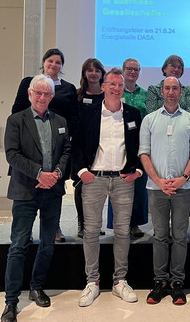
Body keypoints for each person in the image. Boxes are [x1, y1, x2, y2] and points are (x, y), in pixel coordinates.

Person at [1, 74, 71, 322]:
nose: (42, 97)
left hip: (52, 192)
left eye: (47, 94)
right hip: (25, 191)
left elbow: (66, 152)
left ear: (52, 96)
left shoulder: (60, 121)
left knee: (47, 244)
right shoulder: (15, 120)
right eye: (38, 93)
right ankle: (11, 301)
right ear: (30, 93)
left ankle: (36, 287)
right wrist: (40, 174)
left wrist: (57, 175)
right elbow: (12, 154)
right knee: (18, 246)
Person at [72, 68, 143, 306]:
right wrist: (82, 172)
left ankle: (119, 281)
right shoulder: (88, 113)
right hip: (95, 179)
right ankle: (92, 282)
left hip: (123, 181)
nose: (116, 89)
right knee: (91, 231)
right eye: (112, 84)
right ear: (103, 87)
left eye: (120, 85)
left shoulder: (133, 114)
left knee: (122, 232)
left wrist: (138, 172)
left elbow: (142, 147)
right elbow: (77, 144)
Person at [139, 77, 190, 306]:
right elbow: (144, 153)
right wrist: (157, 180)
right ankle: (159, 282)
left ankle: (177, 283)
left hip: (182, 188)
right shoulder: (149, 120)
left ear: (181, 91)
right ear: (162, 91)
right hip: (156, 188)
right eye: (168, 88)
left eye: (175, 88)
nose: (171, 92)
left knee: (179, 237)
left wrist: (183, 178)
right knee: (160, 236)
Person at [11, 48, 79, 242]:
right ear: (44, 62)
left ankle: (54, 228)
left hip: (57, 146)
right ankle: (24, 231)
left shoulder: (68, 88)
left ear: (62, 66)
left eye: (58, 62)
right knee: (27, 191)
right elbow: (16, 110)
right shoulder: (29, 83)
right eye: (50, 61)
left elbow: (74, 116)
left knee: (54, 191)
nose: (54, 65)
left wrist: (64, 135)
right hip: (31, 145)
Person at [107, 58, 149, 238]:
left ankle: (135, 224)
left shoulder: (146, 94)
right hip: (117, 143)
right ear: (123, 70)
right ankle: (117, 222)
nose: (133, 72)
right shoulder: (116, 91)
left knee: (138, 185)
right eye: (129, 69)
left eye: (136, 69)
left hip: (139, 144)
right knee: (116, 184)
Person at [75, 58, 107, 238]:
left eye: (97, 70)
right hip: (83, 147)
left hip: (104, 147)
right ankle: (82, 223)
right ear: (84, 73)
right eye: (89, 70)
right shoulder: (78, 95)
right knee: (81, 186)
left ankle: (95, 223)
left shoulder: (107, 95)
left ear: (102, 74)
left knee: (100, 188)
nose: (93, 73)